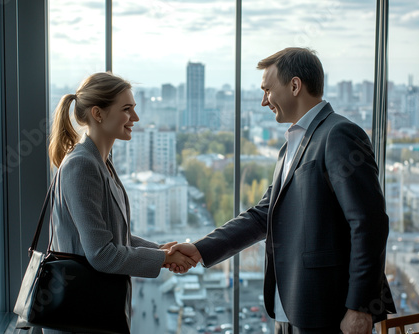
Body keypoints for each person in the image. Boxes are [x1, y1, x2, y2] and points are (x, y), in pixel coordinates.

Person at [169, 47, 396, 334]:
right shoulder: (291, 145)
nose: (264, 101)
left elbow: (369, 223)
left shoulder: (339, 135)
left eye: (267, 90)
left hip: (327, 312)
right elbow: (263, 216)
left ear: (295, 85)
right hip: (288, 310)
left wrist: (360, 307)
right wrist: (200, 249)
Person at [44, 72, 196, 334]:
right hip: (80, 318)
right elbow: (102, 255)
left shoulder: (100, 163)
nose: (135, 118)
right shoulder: (82, 165)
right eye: (127, 110)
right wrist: (162, 258)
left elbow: (113, 236)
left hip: (93, 311)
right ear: (98, 113)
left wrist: (161, 250)